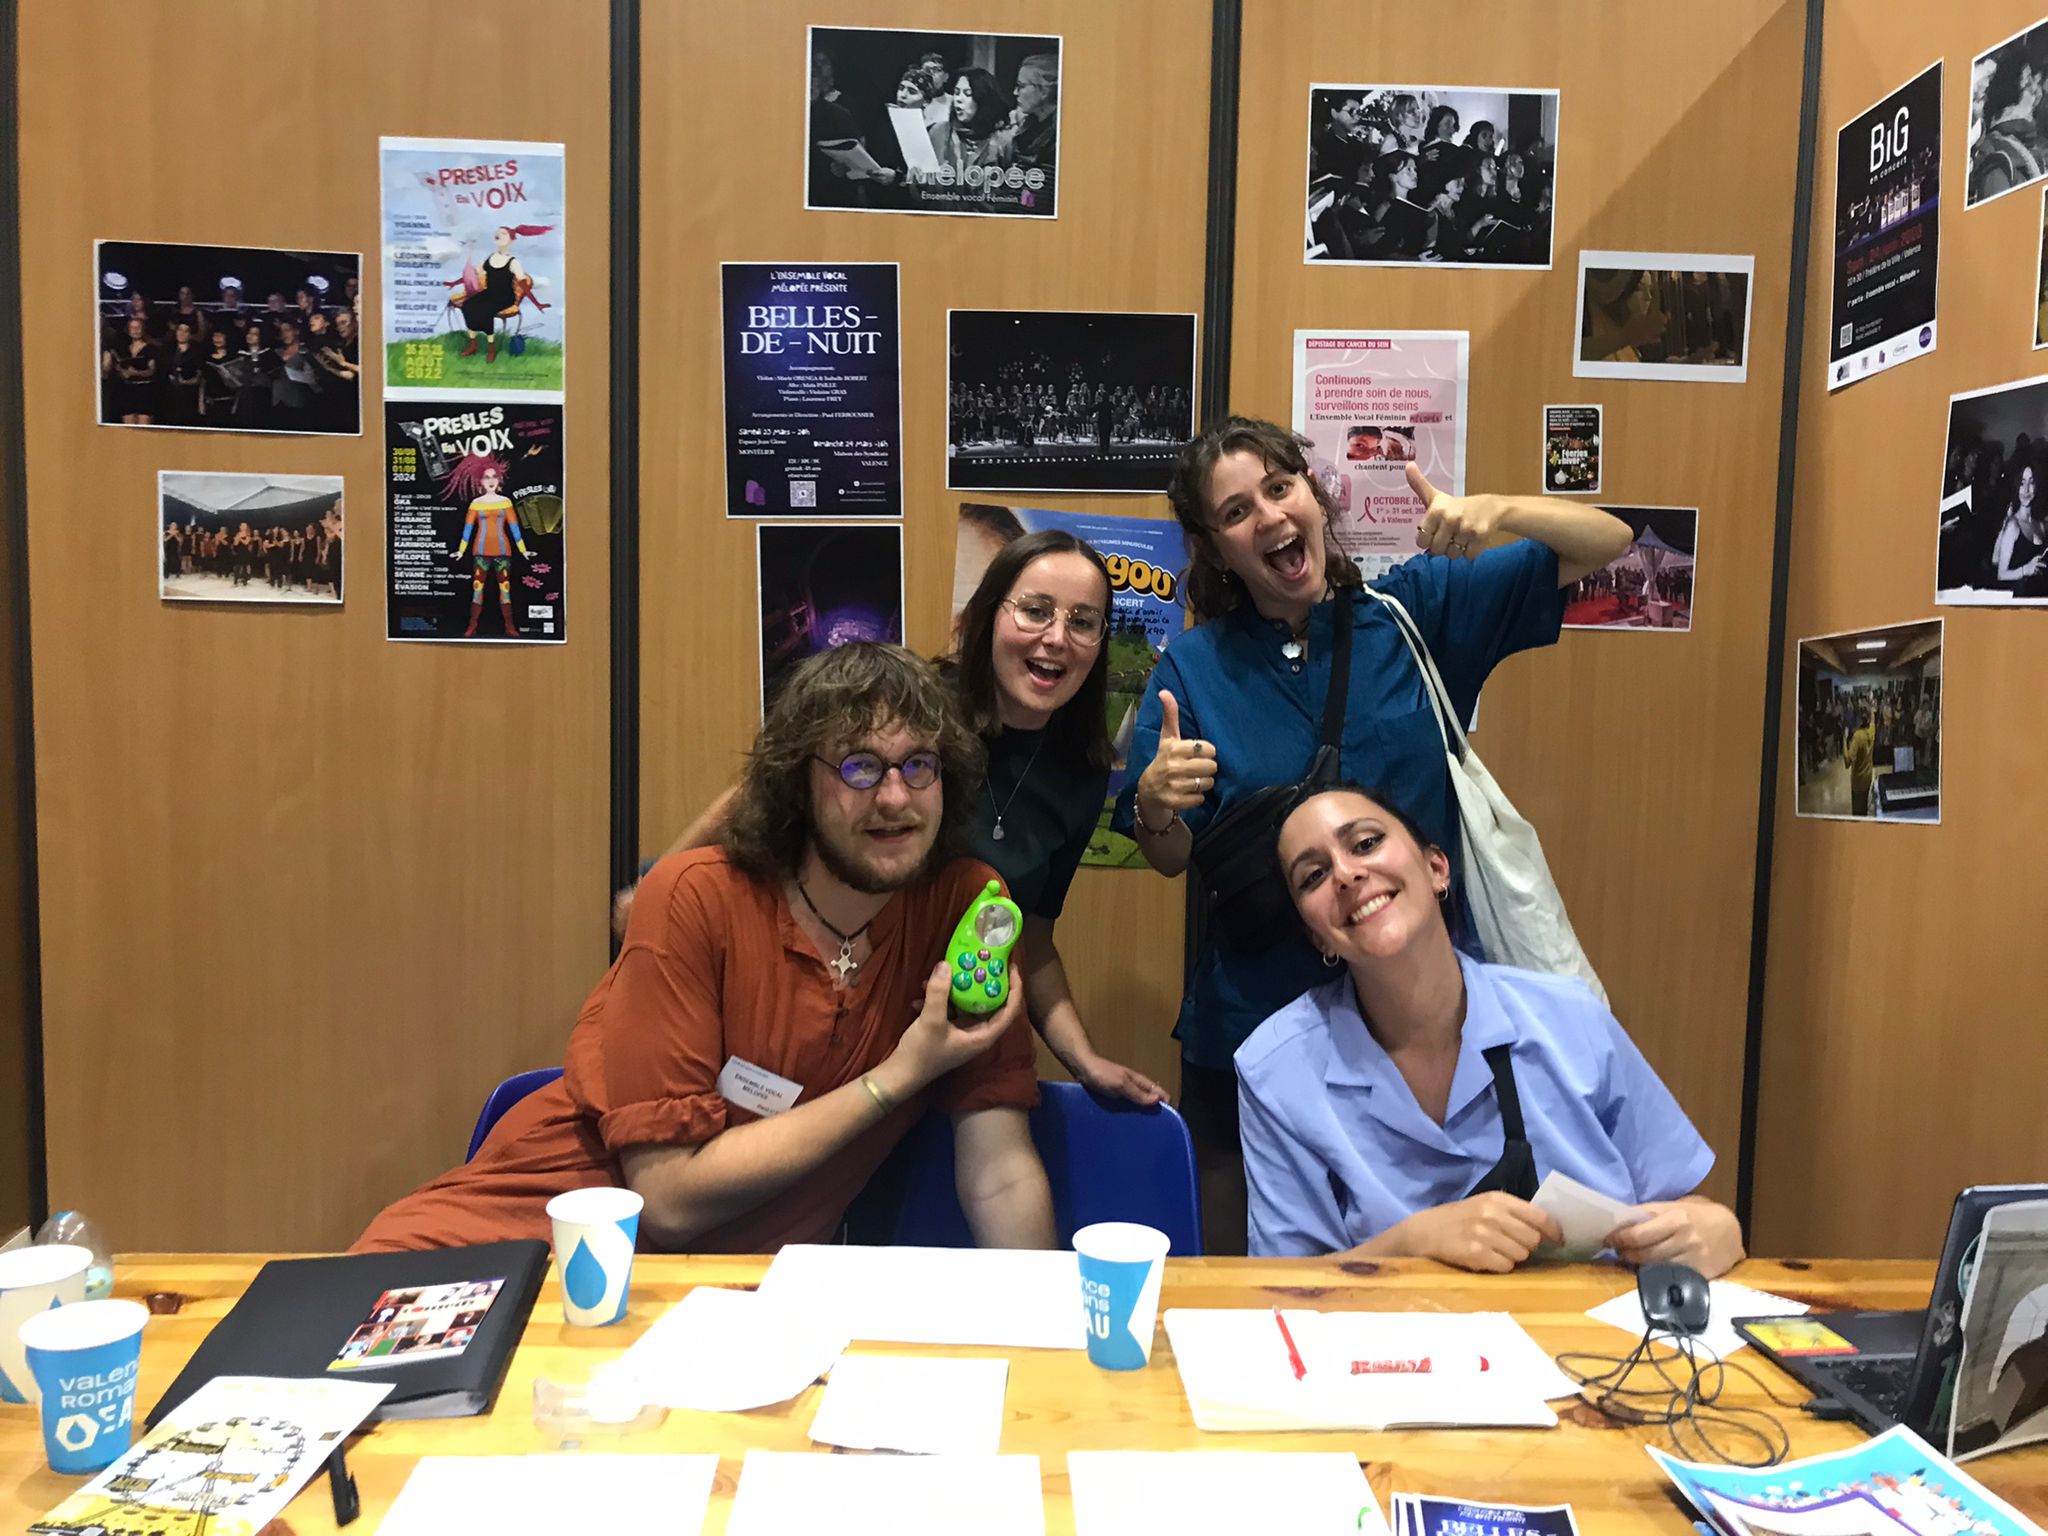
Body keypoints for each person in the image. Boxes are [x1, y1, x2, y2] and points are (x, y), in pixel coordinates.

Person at [1114, 416, 1630, 1253]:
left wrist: (1497, 509)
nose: (1270, 516)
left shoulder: (1415, 611)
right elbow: (1171, 857)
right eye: (1237, 511)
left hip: (1424, 1032)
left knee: (1443, 1264)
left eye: (1280, 487)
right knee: (1261, 1283)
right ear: (1216, 550)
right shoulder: (1195, 670)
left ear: (1314, 496)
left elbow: (1607, 541)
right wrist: (1155, 806)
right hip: (1253, 1032)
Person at [352, 643, 1055, 1253]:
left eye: (920, 765)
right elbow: (668, 1200)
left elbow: (998, 1171)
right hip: (522, 1243)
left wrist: (1054, 1334)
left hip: (731, 1301)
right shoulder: (695, 897)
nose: (896, 798)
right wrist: (898, 1076)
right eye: (859, 768)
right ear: (798, 784)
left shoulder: (968, 910)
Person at [621, 530, 1168, 1108]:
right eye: (1035, 611)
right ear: (989, 615)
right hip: (812, 1008)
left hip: (938, 1039)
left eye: (1083, 621)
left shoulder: (1083, 773)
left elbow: (1028, 936)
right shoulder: (916, 706)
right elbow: (761, 792)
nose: (1057, 637)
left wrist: (1085, 1061)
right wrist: (653, 892)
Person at [1236, 784, 1743, 1275]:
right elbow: (1280, 1286)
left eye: (1366, 843)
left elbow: (1682, 1205)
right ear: (1317, 937)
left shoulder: (1570, 1015)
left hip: (1595, 1327)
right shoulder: (1275, 1070)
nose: (1346, 874)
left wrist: (1716, 1228)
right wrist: (1413, 1242)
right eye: (1314, 876)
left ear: (1437, 868)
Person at [450, 225, 550, 364]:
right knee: (468, 305)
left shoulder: (513, 262)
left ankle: (491, 348)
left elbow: (524, 286)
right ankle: (473, 344)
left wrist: (537, 303)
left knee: (486, 310)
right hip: (489, 293)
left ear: (511, 239)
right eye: (498, 233)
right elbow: (473, 274)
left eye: (503, 233)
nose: (499, 234)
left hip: (505, 297)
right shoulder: (491, 258)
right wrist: (454, 283)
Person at [929, 67, 1014, 179]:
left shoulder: (1003, 140)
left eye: (967, 94)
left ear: (982, 99)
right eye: (956, 92)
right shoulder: (939, 132)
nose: (958, 99)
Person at [1992, 454, 2048, 591]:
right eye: (2022, 483)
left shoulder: (2041, 525)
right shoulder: (2013, 526)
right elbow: (2001, 575)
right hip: (2018, 596)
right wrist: (2025, 570)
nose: (2026, 489)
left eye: (2031, 482)